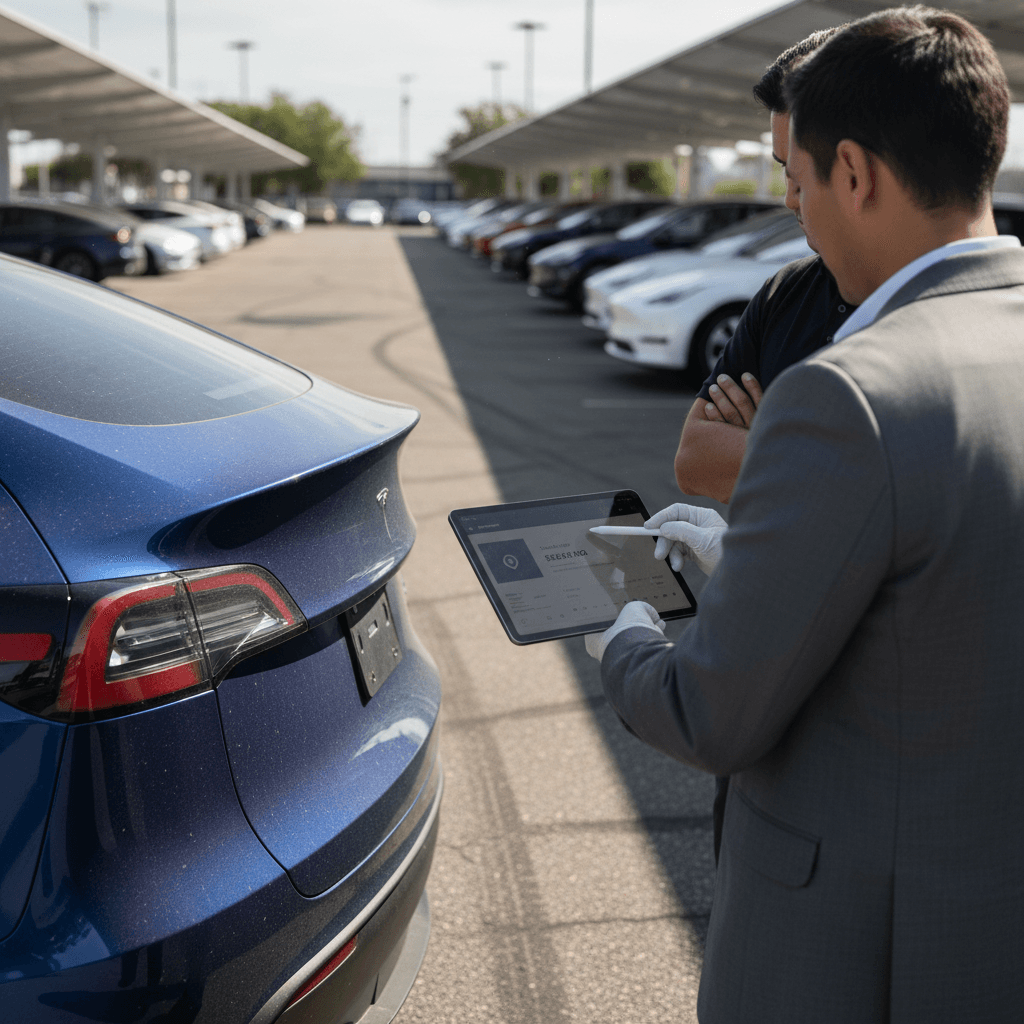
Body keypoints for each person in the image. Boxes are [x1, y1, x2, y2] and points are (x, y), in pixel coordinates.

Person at [587, 7, 1024, 1021]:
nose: (797, 211)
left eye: (801, 181)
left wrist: (624, 618)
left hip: (854, 958)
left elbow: (706, 710)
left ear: (857, 173)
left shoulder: (847, 394)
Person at [675, 28, 851, 505]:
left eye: (797, 172)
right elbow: (695, 459)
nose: (788, 196)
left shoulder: (932, 313)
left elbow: (882, 490)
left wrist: (763, 432)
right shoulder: (786, 291)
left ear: (856, 168)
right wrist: (806, 454)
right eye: (781, 169)